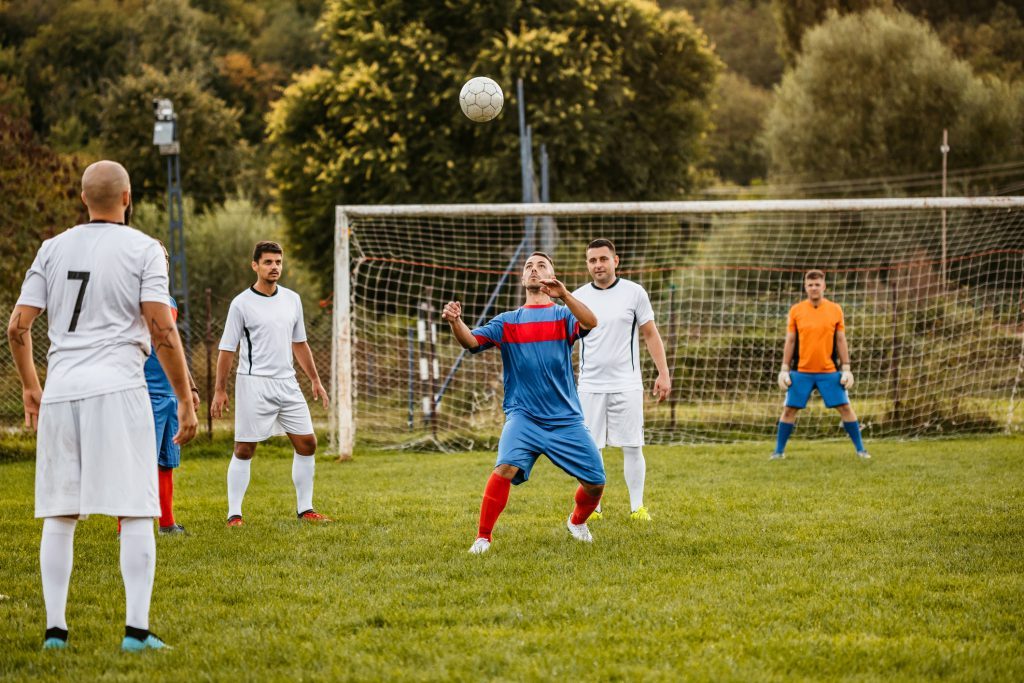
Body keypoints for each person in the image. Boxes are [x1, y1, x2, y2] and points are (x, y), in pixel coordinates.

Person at [8, 160, 198, 652]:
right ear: (128, 197)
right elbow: (161, 327)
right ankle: (136, 632)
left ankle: (55, 632)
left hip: (63, 389)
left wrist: (32, 387)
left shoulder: (52, 248)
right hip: (118, 389)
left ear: (83, 198)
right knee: (136, 510)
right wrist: (183, 397)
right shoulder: (145, 248)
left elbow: (17, 326)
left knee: (60, 513)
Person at [443, 252, 605, 555]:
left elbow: (591, 322)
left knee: (596, 482)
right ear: (522, 278)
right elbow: (471, 342)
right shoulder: (507, 322)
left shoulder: (563, 315)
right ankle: (483, 538)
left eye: (541, 265)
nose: (534, 269)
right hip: (524, 416)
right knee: (503, 467)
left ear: (551, 275)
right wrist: (456, 322)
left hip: (565, 419)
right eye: (529, 266)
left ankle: (577, 522)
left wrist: (565, 295)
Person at [211, 241, 331, 527]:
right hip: (254, 384)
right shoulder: (241, 303)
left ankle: (306, 509)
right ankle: (234, 514)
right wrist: (219, 389)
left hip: (287, 383)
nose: (274, 267)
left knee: (307, 443)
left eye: (278, 262)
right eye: (268, 262)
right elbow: (227, 349)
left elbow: (299, 343)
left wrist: (315, 379)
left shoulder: (293, 299)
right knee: (244, 448)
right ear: (255, 266)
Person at [571, 238, 671, 521]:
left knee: (632, 445)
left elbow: (650, 333)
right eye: (592, 260)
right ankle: (594, 510)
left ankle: (637, 507)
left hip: (627, 384)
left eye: (603, 259)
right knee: (591, 449)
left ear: (615, 261)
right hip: (589, 386)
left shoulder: (634, 293)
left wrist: (663, 373)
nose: (598, 265)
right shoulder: (577, 297)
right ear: (587, 264)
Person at [773, 269, 870, 460]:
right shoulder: (796, 310)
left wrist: (847, 368)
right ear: (805, 287)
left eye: (817, 284)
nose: (814, 288)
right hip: (801, 371)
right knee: (789, 410)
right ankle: (778, 452)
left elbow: (841, 340)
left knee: (845, 407)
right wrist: (784, 368)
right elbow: (791, 340)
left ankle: (861, 450)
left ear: (824, 286)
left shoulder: (835, 309)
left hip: (829, 370)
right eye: (810, 285)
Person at [144, 244, 201, 535]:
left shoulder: (169, 301)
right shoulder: (135, 298)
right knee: (141, 463)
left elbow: (173, 348)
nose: (162, 263)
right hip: (145, 394)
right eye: (157, 258)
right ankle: (126, 526)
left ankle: (167, 523)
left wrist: (189, 387)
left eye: (165, 258)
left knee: (167, 462)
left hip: (170, 395)